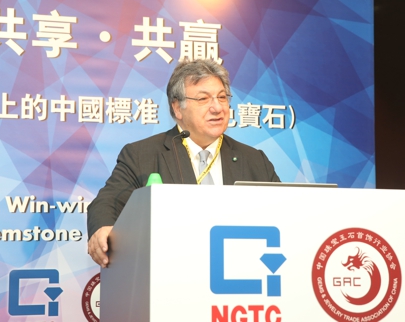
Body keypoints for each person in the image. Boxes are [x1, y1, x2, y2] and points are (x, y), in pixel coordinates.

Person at [87, 59, 280, 266]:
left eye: (222, 97)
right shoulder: (142, 155)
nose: (217, 107)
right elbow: (107, 201)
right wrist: (102, 228)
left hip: (239, 269)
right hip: (170, 268)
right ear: (178, 108)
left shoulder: (254, 160)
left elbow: (284, 211)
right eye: (203, 99)